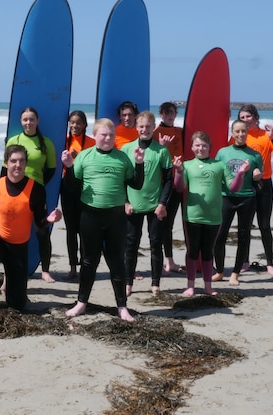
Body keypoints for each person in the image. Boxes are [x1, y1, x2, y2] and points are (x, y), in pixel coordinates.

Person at [61, 119, 145, 320]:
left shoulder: (122, 158)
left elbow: (137, 184)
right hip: (90, 216)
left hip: (116, 217)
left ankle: (122, 307)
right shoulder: (84, 156)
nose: (107, 138)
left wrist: (139, 163)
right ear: (95, 135)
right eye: (103, 134)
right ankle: (81, 303)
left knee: (117, 262)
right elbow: (72, 187)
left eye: (111, 135)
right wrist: (69, 167)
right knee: (89, 261)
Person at [0, 145, 62, 314]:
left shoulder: (36, 189)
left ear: (26, 163)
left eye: (21, 161)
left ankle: (13, 291)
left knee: (17, 305)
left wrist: (49, 220)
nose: (17, 165)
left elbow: (40, 221)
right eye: (13, 161)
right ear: (6, 163)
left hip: (19, 247)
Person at [172, 131, 248, 297]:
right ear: (192, 147)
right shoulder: (187, 165)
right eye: (197, 145)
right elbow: (179, 187)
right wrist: (178, 171)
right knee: (192, 250)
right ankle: (190, 285)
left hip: (213, 216)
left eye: (204, 145)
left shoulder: (219, 165)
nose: (201, 148)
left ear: (209, 147)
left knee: (207, 251)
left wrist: (240, 174)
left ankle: (208, 286)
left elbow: (233, 188)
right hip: (192, 215)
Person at [5, 107, 58, 282]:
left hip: (36, 190)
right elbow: (6, 168)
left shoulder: (46, 143)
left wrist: (38, 184)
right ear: (21, 121)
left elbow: (51, 169)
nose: (28, 123)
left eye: (31, 119)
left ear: (37, 121)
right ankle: (11, 268)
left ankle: (45, 270)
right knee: (15, 231)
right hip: (15, 191)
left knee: (42, 231)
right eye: (25, 120)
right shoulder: (14, 140)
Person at [123, 111, 173, 295]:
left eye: (148, 126)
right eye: (141, 126)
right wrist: (125, 202)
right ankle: (128, 283)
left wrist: (162, 204)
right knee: (131, 245)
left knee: (155, 244)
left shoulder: (162, 151)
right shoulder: (127, 149)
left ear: (154, 128)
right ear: (137, 128)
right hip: (133, 206)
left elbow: (168, 180)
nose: (144, 129)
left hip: (154, 206)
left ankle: (155, 283)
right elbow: (122, 179)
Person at [235, 104, 273, 277]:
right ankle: (244, 261)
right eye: (242, 118)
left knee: (264, 225)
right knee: (244, 226)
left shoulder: (267, 136)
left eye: (248, 117)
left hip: (264, 185)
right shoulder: (238, 136)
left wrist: (272, 138)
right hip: (245, 185)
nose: (245, 120)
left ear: (256, 117)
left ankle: (270, 264)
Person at [214, 120, 263, 285]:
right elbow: (216, 175)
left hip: (247, 198)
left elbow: (259, 180)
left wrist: (257, 176)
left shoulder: (254, 155)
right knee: (219, 236)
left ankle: (235, 273)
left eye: (243, 131)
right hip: (226, 197)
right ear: (232, 132)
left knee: (243, 236)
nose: (241, 134)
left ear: (247, 132)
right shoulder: (222, 153)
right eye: (237, 131)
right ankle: (220, 271)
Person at [61, 111, 95, 280]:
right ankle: (73, 266)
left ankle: (84, 265)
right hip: (67, 187)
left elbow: (93, 164)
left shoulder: (91, 142)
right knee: (70, 229)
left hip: (84, 188)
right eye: (72, 123)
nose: (74, 126)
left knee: (84, 229)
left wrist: (78, 157)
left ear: (85, 125)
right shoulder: (64, 141)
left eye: (78, 123)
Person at [153, 101, 184, 273]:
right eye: (165, 113)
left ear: (175, 114)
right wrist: (162, 147)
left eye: (172, 112)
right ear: (161, 115)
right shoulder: (155, 133)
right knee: (162, 223)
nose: (169, 115)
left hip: (179, 181)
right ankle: (166, 261)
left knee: (170, 223)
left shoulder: (180, 132)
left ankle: (169, 261)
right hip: (162, 184)